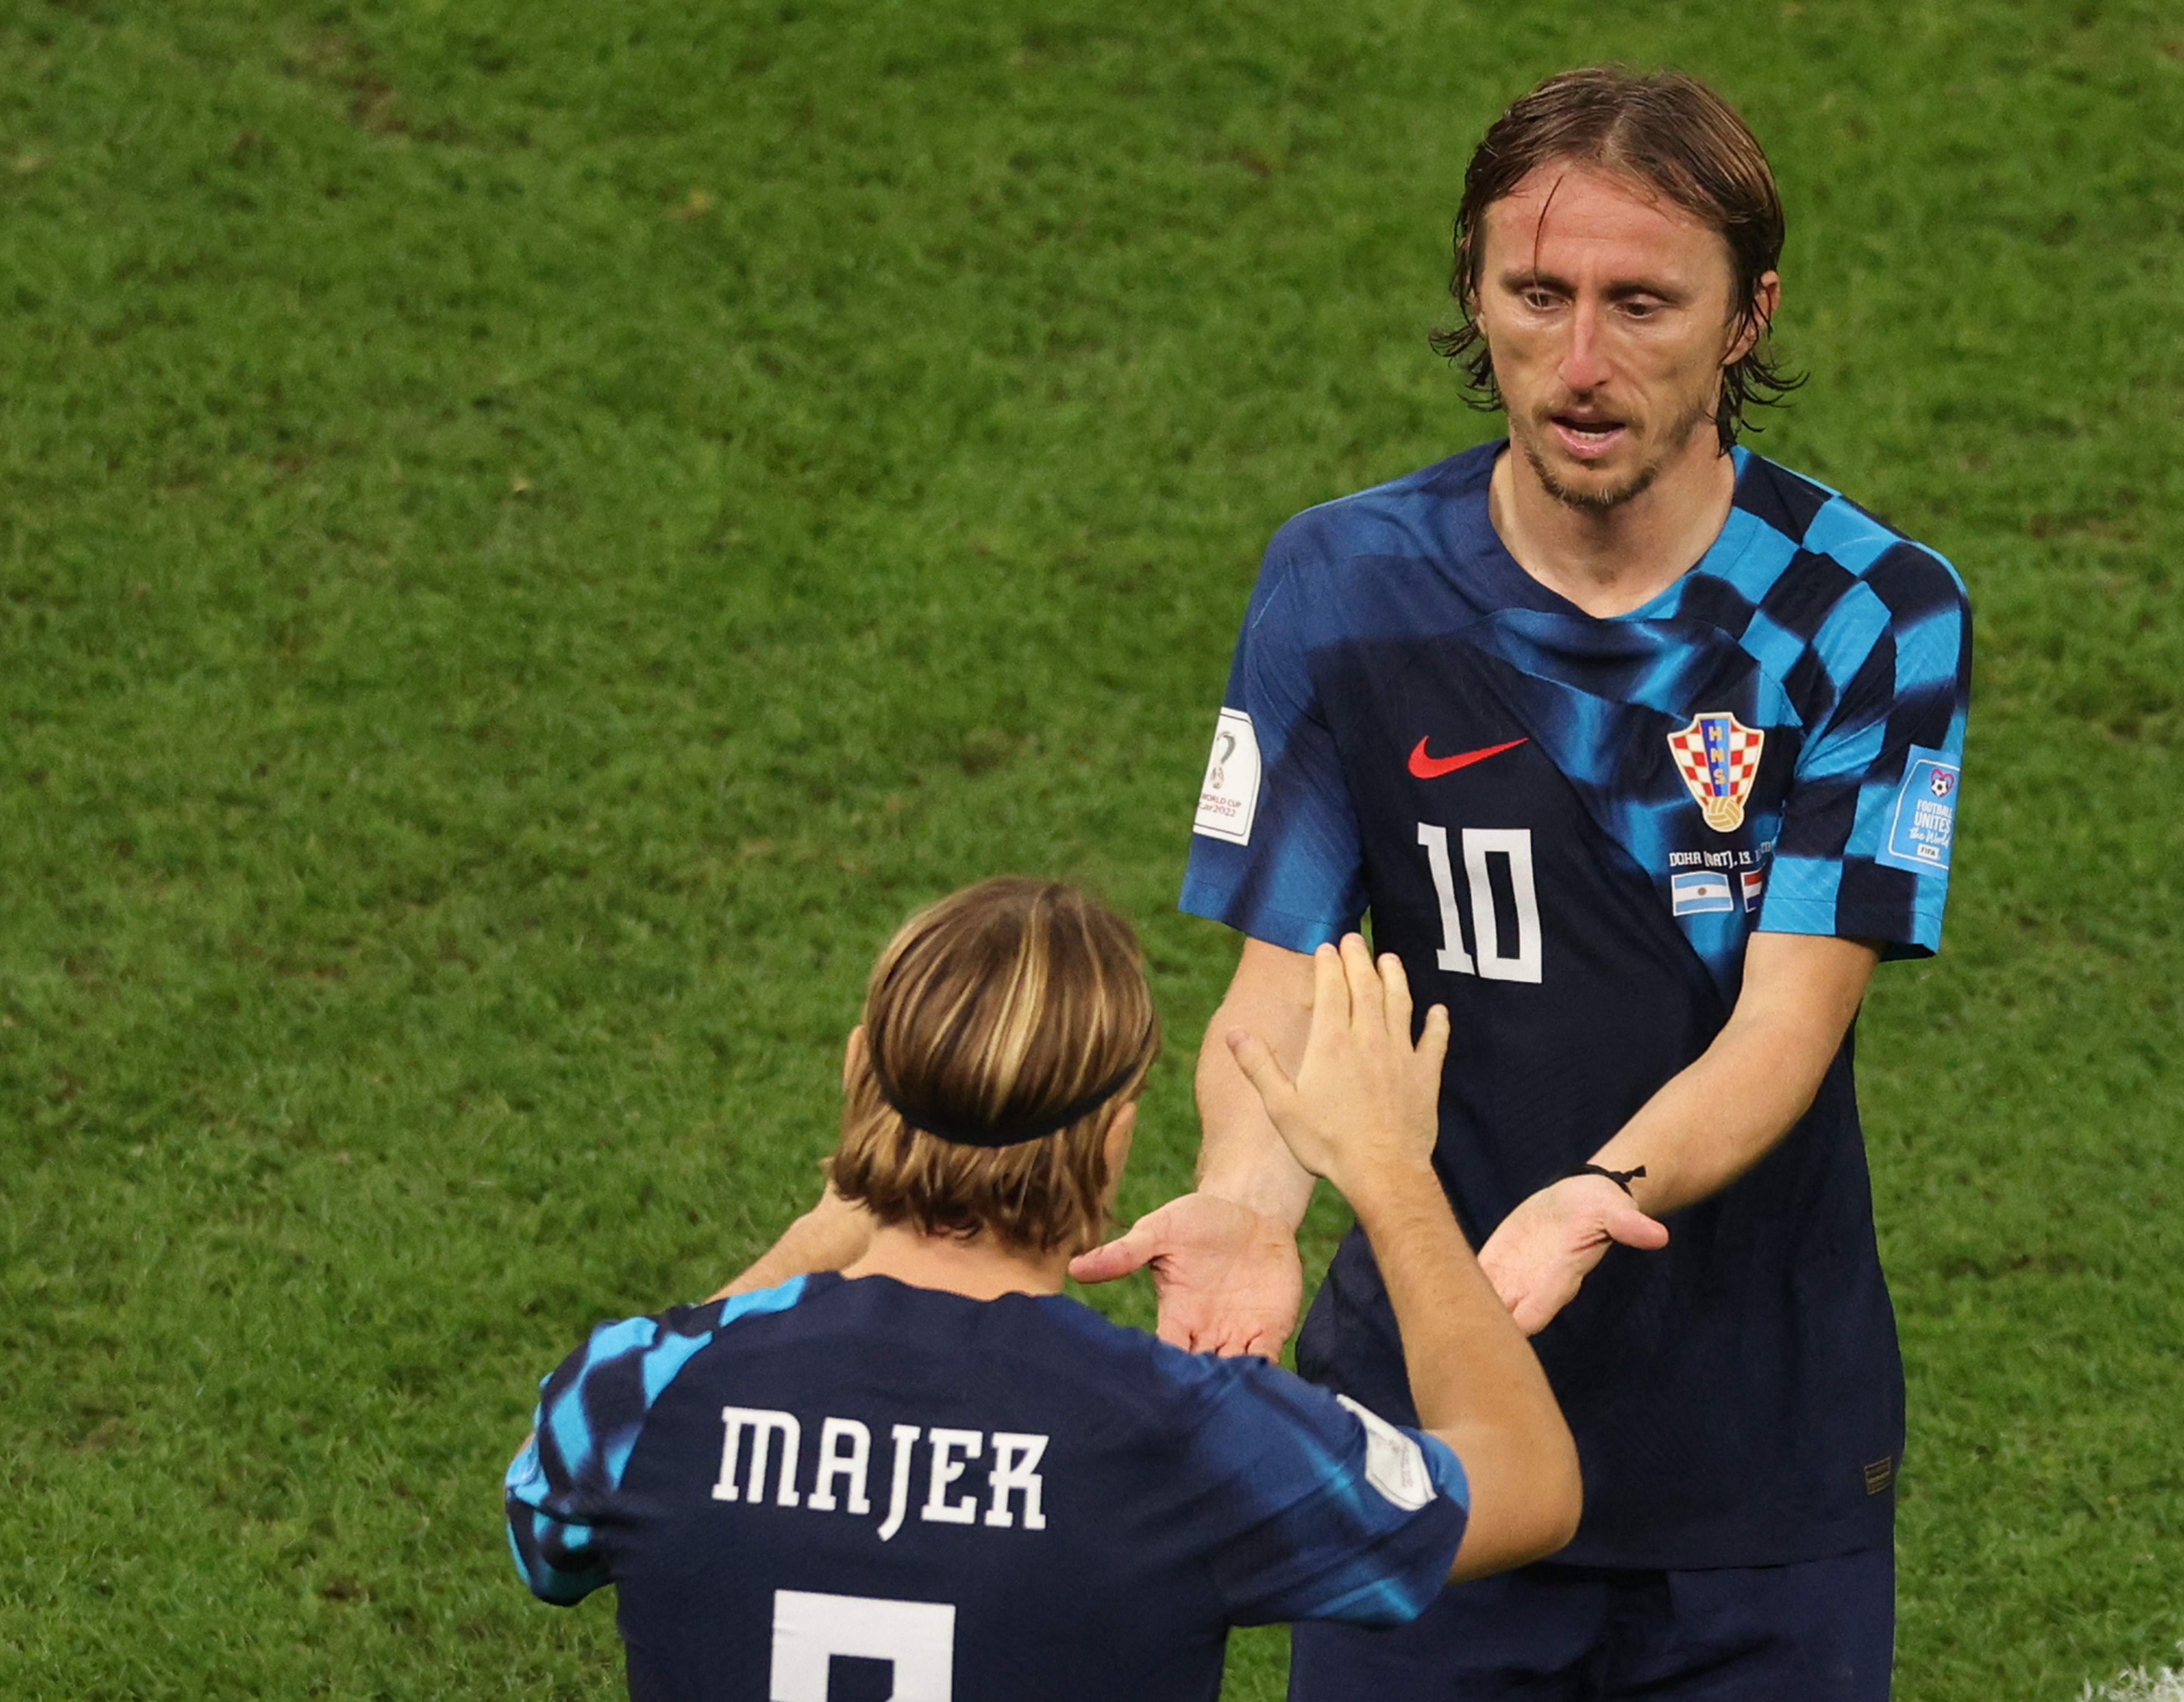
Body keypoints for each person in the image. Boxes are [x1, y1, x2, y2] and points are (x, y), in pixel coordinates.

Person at [1070, 66, 1971, 1701]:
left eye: (1643, 304)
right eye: (1535, 295)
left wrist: (1596, 1193)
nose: (1580, 363)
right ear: (1473, 295)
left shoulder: (1862, 616)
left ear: (1749, 315)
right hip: (1424, 1455)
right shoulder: (1344, 587)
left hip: (1754, 1467)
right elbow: (1285, 993)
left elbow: (1787, 1028)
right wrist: (1248, 1204)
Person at [503, 877, 1580, 1701]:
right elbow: (1530, 1484)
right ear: (1114, 1139)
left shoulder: (632, 1398)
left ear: (854, 1078)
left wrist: (819, 1233)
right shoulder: (1189, 1436)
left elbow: (542, 1538)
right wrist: (1392, 1172)